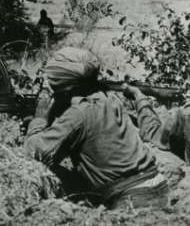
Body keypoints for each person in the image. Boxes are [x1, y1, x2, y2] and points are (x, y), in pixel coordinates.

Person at [24, 47, 169, 210]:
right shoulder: (109, 97)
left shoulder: (78, 114)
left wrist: (40, 118)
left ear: (62, 87)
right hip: (159, 186)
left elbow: (35, 152)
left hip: (130, 198)